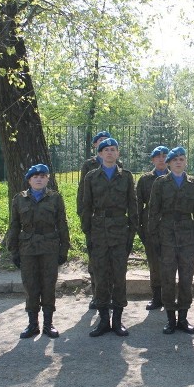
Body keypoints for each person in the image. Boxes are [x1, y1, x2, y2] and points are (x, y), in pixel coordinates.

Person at [81, 138, 137, 337]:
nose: (110, 153)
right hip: (98, 230)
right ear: (100, 153)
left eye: (113, 150)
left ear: (118, 154)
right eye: (106, 150)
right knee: (101, 275)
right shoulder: (91, 177)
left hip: (120, 229)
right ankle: (104, 319)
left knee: (119, 276)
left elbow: (133, 205)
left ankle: (118, 320)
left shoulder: (127, 177)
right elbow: (86, 205)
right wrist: (87, 231)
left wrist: (132, 232)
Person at [8, 164, 70, 339]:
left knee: (48, 285)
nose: (39, 179)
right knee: (31, 286)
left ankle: (48, 324)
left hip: (49, 248)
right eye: (35, 176)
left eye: (43, 176)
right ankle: (32, 324)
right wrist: (13, 250)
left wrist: (63, 248)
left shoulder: (55, 198)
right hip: (27, 249)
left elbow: (62, 224)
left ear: (47, 179)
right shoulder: (19, 199)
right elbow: (14, 225)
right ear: (29, 180)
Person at [148, 146, 194, 334]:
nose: (179, 162)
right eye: (175, 159)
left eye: (182, 159)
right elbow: (153, 212)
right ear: (169, 163)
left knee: (187, 278)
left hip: (187, 235)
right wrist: (154, 239)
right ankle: (171, 318)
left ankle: (184, 318)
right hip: (167, 236)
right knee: (168, 278)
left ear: (185, 162)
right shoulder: (160, 183)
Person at [76, 130, 121, 309]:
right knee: (96, 259)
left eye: (109, 143)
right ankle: (97, 294)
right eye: (101, 142)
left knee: (112, 261)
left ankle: (109, 295)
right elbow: (83, 192)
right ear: (96, 146)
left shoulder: (119, 166)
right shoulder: (89, 166)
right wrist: (83, 215)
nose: (105, 145)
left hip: (114, 222)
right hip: (96, 219)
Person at [136, 145, 170, 310]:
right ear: (153, 159)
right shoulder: (145, 180)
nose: (161, 159)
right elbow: (138, 205)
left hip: (171, 228)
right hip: (151, 227)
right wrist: (140, 228)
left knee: (170, 263)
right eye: (158, 156)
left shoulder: (175, 178)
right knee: (154, 263)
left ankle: (169, 296)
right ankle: (157, 297)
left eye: (165, 156)